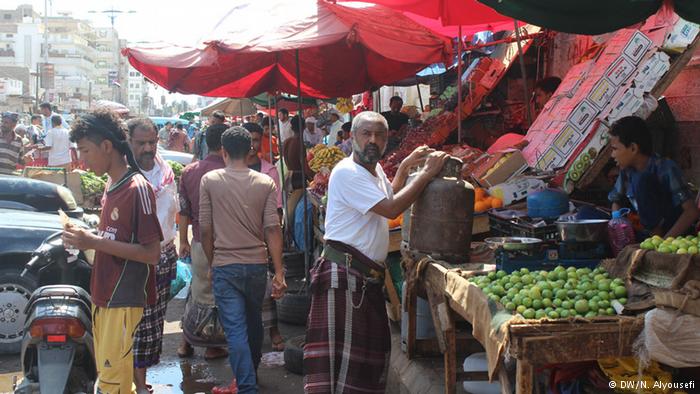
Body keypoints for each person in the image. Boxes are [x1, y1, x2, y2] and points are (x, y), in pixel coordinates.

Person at [303, 111, 448, 393]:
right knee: (344, 369)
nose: (373, 140)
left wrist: (405, 167)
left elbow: (388, 198)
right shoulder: (347, 172)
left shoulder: (374, 169)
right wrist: (428, 173)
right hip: (344, 277)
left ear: (386, 139)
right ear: (352, 137)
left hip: (361, 279)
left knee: (361, 365)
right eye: (366, 134)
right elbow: (393, 209)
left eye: (379, 135)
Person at [62, 109, 162, 394]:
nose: (82, 159)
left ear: (106, 146)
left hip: (122, 298)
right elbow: (111, 237)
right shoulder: (112, 182)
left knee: (112, 385)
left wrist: (93, 242)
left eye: (85, 150)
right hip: (104, 294)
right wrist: (87, 239)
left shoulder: (137, 187)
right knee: (113, 380)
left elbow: (151, 253)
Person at [199, 126, 287, 393]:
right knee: (253, 323)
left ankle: (247, 387)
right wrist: (280, 272)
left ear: (223, 152)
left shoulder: (210, 180)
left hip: (226, 266)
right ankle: (250, 376)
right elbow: (273, 228)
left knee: (236, 329)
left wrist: (213, 261)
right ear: (250, 150)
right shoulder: (265, 182)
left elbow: (205, 229)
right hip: (257, 267)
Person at [127, 118, 179, 394]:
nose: (148, 148)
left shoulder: (164, 170)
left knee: (154, 324)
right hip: (139, 260)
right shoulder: (126, 176)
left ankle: (140, 378)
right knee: (138, 325)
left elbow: (171, 212)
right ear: (129, 142)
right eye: (141, 143)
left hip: (164, 255)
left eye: (152, 142)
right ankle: (135, 383)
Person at [177, 123, 230, 361]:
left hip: (198, 241)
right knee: (214, 298)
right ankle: (211, 345)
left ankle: (185, 342)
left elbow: (184, 211)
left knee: (198, 293)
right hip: (226, 243)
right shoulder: (231, 171)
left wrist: (183, 241)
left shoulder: (190, 171)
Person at [608, 116, 699, 238]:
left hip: (670, 233)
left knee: (642, 180)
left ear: (633, 148)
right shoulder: (627, 171)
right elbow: (616, 199)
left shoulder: (666, 168)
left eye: (615, 149)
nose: (612, 155)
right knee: (586, 213)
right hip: (644, 232)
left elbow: (691, 211)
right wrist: (617, 221)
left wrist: (665, 242)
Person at [243, 122, 285, 352]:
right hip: (239, 239)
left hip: (264, 237)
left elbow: (276, 211)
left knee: (270, 287)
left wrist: (276, 238)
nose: (252, 145)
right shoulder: (231, 170)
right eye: (248, 139)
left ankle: (273, 330)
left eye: (256, 140)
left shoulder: (269, 171)